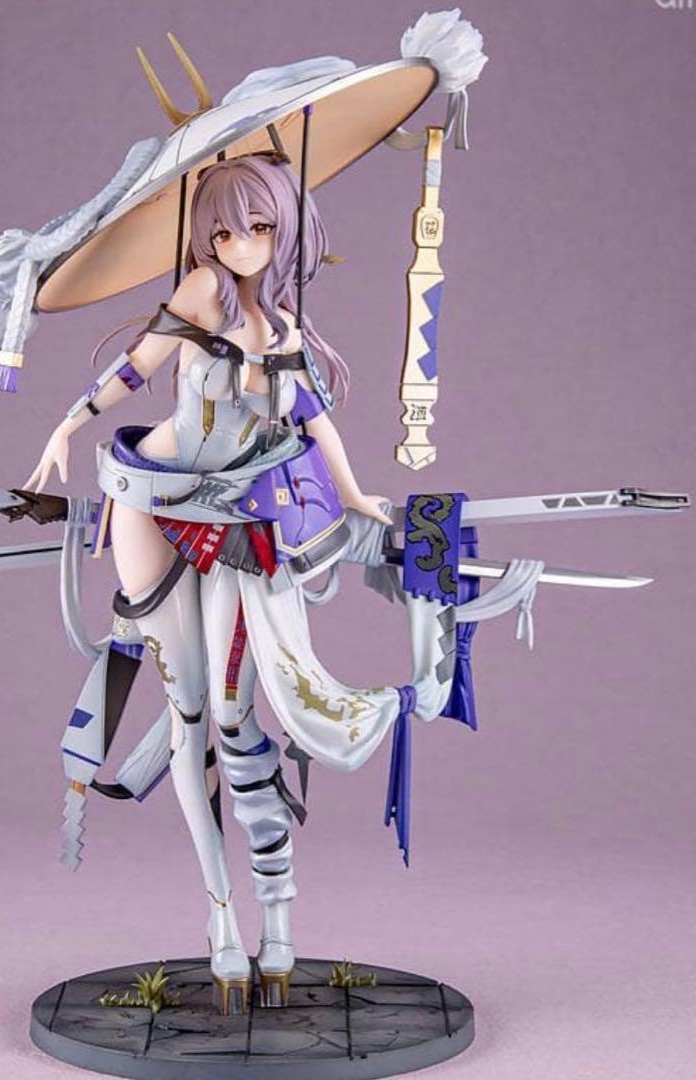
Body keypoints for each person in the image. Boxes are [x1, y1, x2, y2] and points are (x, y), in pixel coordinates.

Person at [23, 154, 452, 1015]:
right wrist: (64, 426)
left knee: (232, 715)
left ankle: (278, 913)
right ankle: (222, 917)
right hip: (154, 503)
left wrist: (356, 494)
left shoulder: (285, 326)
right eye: (223, 230)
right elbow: (136, 368)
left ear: (284, 230)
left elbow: (316, 424)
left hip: (238, 522)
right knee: (188, 715)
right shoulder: (199, 292)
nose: (241, 244)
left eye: (258, 227)